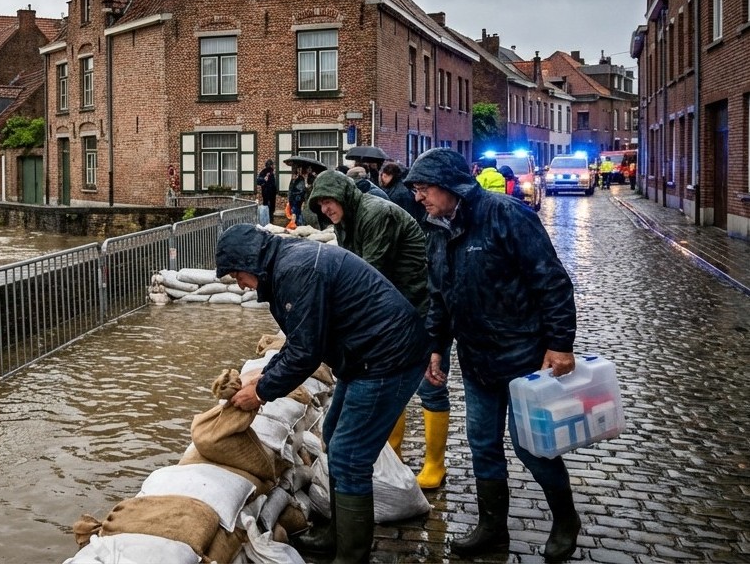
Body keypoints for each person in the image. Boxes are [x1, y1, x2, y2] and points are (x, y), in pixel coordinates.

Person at [403, 148, 581, 562]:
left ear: (452, 185)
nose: (419, 198)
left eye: (425, 188)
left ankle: (565, 518)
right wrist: (435, 347)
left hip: (524, 358)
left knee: (532, 447)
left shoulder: (507, 216)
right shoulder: (437, 229)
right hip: (477, 361)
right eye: (415, 190)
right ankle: (491, 526)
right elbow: (439, 296)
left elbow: (551, 282)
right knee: (482, 444)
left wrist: (560, 344)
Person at [215, 224, 427, 563]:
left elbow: (306, 354)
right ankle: (337, 533)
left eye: (236, 274)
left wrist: (261, 392)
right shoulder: (285, 267)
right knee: (331, 433)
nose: (239, 283)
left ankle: (352, 554)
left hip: (387, 358)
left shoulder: (295, 270)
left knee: (349, 456)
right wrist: (265, 374)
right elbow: (301, 338)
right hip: (363, 358)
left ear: (250, 262)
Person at [307, 168, 442, 488]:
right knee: (390, 390)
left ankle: (435, 463)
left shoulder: (375, 214)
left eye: (329, 201)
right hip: (389, 314)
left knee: (429, 385)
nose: (326, 209)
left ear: (343, 194)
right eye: (320, 205)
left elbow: (367, 274)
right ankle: (391, 455)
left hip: (419, 310)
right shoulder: (347, 221)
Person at [283, 158, 308, 226]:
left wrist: (294, 194)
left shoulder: (301, 179)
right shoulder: (294, 179)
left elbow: (300, 190)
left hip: (297, 200)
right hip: (293, 199)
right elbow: (291, 188)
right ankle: (296, 224)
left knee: (296, 213)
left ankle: (298, 225)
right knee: (294, 214)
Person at [257, 159, 278, 223]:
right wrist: (264, 179)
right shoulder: (265, 172)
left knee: (270, 209)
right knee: (268, 209)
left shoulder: (271, 173)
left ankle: (269, 221)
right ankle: (269, 222)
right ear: (270, 165)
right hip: (267, 194)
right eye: (272, 165)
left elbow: (272, 183)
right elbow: (258, 181)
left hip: (270, 194)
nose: (273, 166)